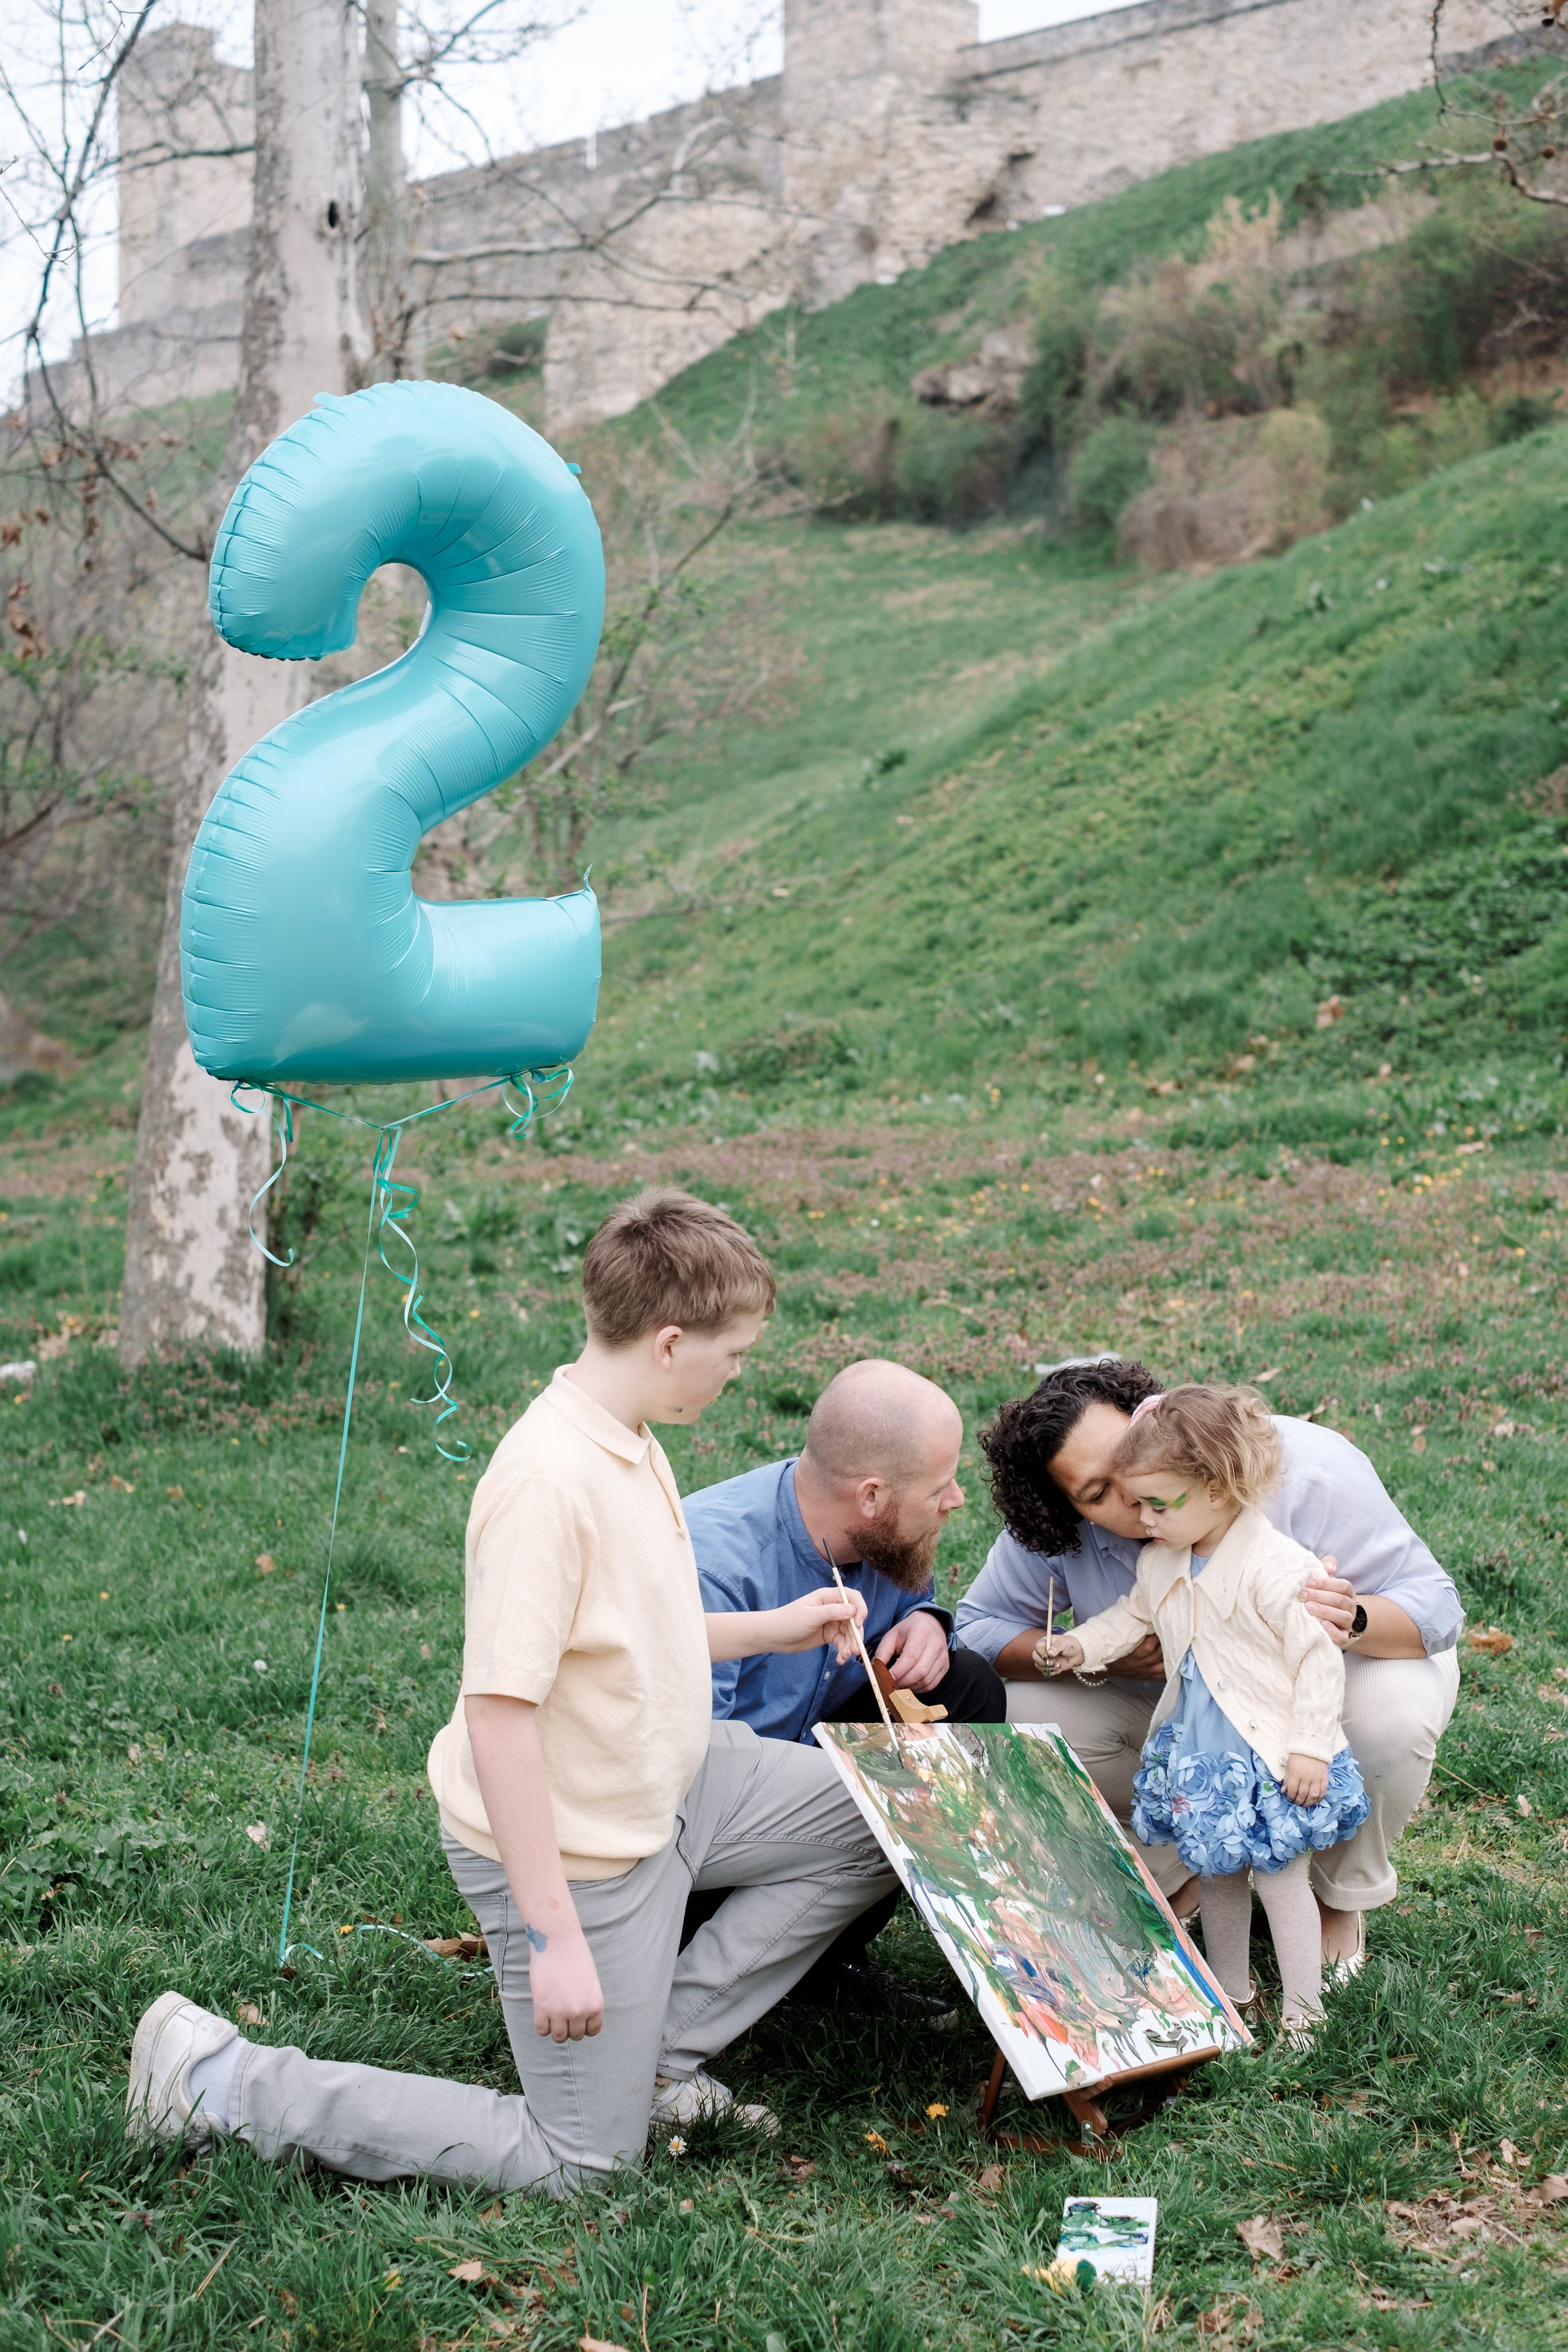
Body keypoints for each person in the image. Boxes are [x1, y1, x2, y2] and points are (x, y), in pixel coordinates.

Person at [124, 1188, 899, 2192]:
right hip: (579, 1852)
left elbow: (634, 1637)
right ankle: (220, 2079)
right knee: (580, 2164)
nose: (739, 1374)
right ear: (670, 1344)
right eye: (735, 1355)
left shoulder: (632, 1440)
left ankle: (654, 2054)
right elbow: (499, 1721)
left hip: (675, 1788)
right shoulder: (548, 1482)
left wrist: (780, 1627)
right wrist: (555, 1939)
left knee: (889, 1817)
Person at [955, 1357, 1462, 1977]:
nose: (1135, 1499)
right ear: (1064, 1507)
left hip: (1311, 1688)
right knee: (1024, 1711)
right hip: (1189, 1712)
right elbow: (976, 1628)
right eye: (1097, 1494)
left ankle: (1336, 1896)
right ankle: (1187, 1866)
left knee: (1393, 1713)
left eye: (1132, 1462)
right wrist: (1082, 1658)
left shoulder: (1303, 1466)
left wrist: (1350, 1619)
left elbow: (1437, 1607)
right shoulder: (1058, 1530)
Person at [1044, 1386, 1369, 2045]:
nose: (1145, 1518)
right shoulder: (1162, 1558)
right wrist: (1081, 1645)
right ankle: (1230, 1995)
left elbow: (1317, 1660)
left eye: (1159, 1505)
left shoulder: (1277, 1568)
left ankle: (1304, 2014)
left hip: (1269, 1751)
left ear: (1218, 1491)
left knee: (1279, 1878)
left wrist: (1309, 1746)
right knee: (1218, 1872)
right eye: (1138, 1504)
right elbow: (1132, 1615)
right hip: (1203, 1749)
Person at [686, 1358, 1005, 2016]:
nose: (957, 1501)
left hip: (806, 1766)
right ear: (870, 1495)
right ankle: (707, 1964)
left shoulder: (881, 1534)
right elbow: (692, 1773)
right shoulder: (713, 1564)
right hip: (702, 1834)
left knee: (967, 1688)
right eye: (939, 1487)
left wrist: (926, 1621)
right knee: (890, 1800)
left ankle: (825, 1960)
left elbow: (918, 1598)